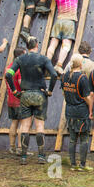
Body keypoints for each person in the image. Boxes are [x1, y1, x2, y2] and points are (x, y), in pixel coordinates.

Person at [5, 37, 58, 165]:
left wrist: (14, 91)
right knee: (40, 126)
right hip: (40, 94)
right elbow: (54, 75)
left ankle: (23, 157)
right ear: (37, 45)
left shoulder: (19, 59)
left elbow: (8, 74)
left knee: (25, 126)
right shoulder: (43, 59)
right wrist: (49, 91)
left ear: (27, 46)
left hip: (25, 95)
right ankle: (41, 156)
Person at [46, 0, 84, 75]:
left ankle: (47, 63)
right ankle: (58, 65)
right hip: (69, 22)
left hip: (59, 21)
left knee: (53, 45)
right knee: (66, 46)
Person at [62, 54, 94, 171]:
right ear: (81, 64)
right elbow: (86, 97)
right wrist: (91, 107)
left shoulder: (65, 76)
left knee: (72, 138)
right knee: (84, 138)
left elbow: (64, 93)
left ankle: (72, 164)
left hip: (69, 110)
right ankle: (82, 165)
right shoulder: (82, 78)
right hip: (81, 111)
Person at [5, 47, 27, 155]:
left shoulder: (9, 67)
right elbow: (22, 83)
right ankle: (20, 148)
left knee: (14, 123)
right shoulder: (19, 69)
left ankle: (12, 147)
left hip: (10, 99)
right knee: (23, 124)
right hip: (20, 100)